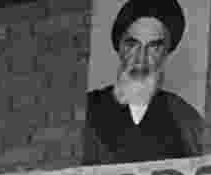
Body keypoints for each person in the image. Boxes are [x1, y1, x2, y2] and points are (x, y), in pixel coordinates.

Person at [83, 0, 202, 166]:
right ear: (119, 47)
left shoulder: (184, 118)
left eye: (154, 47)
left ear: (166, 53)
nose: (141, 58)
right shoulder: (87, 109)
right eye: (132, 45)